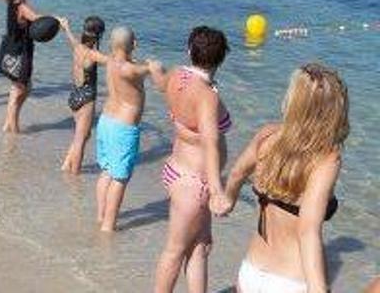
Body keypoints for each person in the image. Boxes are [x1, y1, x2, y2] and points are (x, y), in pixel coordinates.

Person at [224, 63, 348, 293]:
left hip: (251, 272)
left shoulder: (268, 135)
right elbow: (307, 230)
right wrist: (317, 289)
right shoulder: (327, 160)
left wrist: (227, 200)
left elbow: (237, 173)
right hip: (292, 281)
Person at [151, 27, 233, 293]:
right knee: (174, 253)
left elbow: (161, 84)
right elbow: (210, 143)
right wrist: (218, 190)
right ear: (221, 60)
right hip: (195, 182)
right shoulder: (207, 96)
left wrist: (154, 69)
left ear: (189, 51)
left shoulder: (177, 74)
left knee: (201, 246)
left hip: (176, 170)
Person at [94, 26, 155, 232]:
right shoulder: (131, 69)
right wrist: (154, 65)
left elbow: (130, 66)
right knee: (120, 177)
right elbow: (149, 69)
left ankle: (101, 215)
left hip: (106, 121)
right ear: (133, 44)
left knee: (106, 172)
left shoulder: (111, 62)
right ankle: (109, 225)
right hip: (123, 127)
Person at [58, 16, 107, 174]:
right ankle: (75, 174)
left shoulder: (78, 47)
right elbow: (114, 61)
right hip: (87, 98)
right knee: (81, 139)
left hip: (74, 96)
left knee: (84, 135)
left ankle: (67, 164)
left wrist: (66, 27)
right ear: (98, 35)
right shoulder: (93, 55)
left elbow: (71, 38)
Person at [0, 0, 44, 134]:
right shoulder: (22, 6)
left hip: (12, 48)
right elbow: (38, 19)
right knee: (18, 90)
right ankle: (13, 128)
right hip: (19, 52)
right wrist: (57, 20)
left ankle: (9, 123)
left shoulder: (11, 1)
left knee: (24, 87)